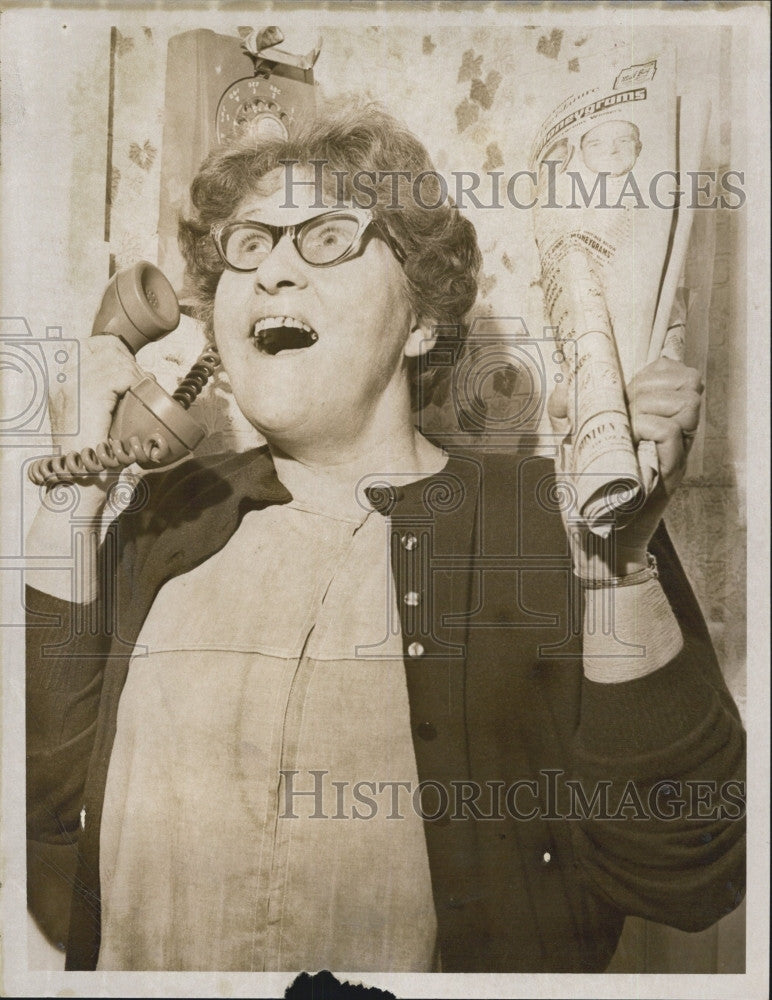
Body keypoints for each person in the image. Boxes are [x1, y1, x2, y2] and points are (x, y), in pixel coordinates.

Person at [25, 103, 745, 973]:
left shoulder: (550, 516)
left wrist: (616, 565)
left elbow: (685, 874)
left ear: (421, 322)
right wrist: (73, 498)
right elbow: (46, 820)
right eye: (248, 245)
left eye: (326, 237)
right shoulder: (169, 516)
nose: (272, 272)